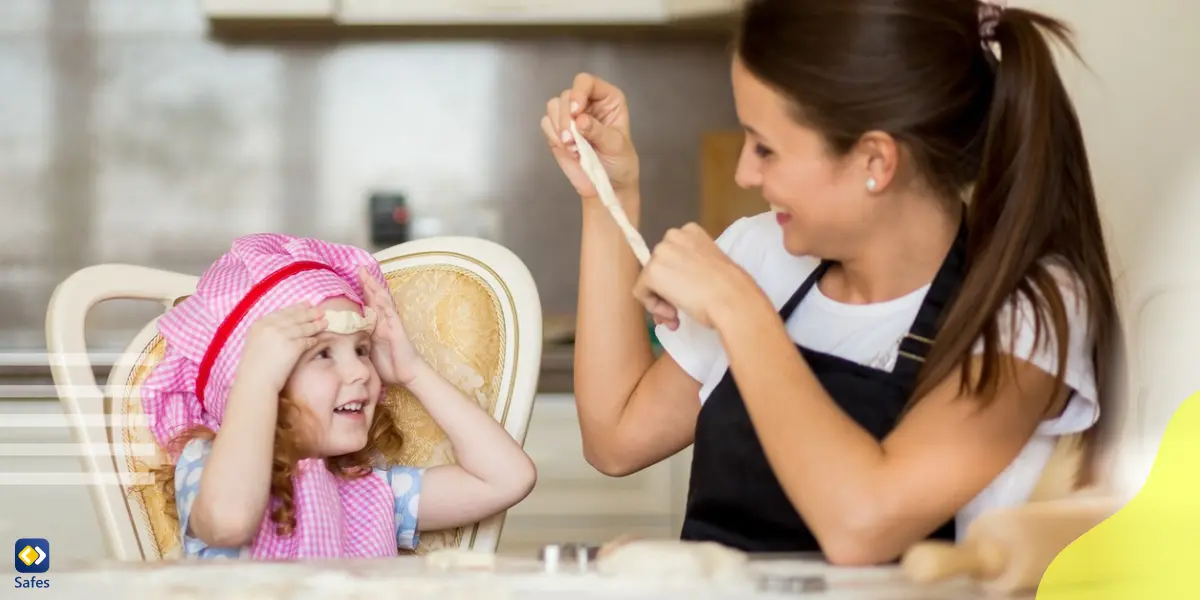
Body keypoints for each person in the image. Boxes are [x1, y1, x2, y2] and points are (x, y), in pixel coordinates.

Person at [540, 0, 1119, 565]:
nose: (745, 172)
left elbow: (863, 524)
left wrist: (739, 310)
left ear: (875, 161)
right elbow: (616, 439)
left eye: (767, 147)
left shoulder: (1025, 307)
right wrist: (606, 198)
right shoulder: (763, 251)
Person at [142, 234, 536, 559]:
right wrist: (256, 382)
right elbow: (229, 522)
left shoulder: (373, 494)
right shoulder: (212, 469)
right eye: (323, 353)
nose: (360, 371)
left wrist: (412, 371)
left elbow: (507, 479)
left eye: (362, 350)